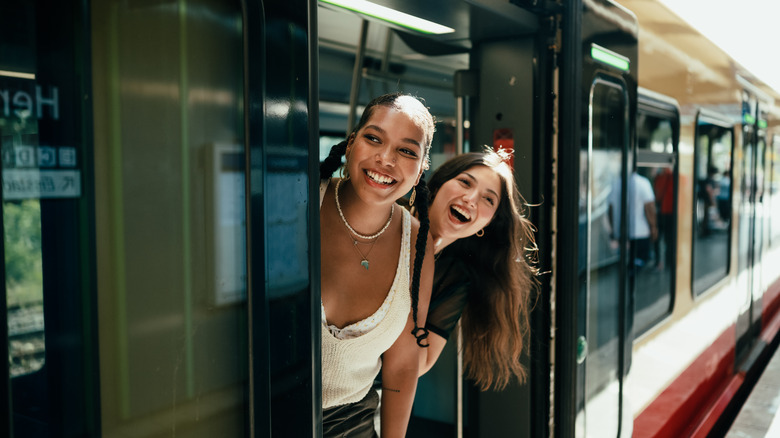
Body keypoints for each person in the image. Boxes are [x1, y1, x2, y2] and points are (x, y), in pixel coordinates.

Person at [318, 93, 435, 437]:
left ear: (419, 171)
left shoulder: (416, 243)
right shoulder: (300, 197)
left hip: (351, 426)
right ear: (351, 143)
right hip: (262, 415)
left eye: (407, 151)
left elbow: (402, 362)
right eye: (374, 138)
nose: (385, 159)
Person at [413, 149, 539, 390]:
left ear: (488, 224)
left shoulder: (454, 276)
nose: (470, 199)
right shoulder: (390, 220)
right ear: (439, 184)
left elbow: (421, 364)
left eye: (488, 199)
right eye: (464, 182)